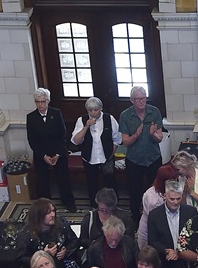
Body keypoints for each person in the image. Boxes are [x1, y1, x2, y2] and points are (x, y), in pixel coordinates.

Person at [118, 86, 165, 221]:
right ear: (132, 100)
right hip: (134, 160)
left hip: (153, 158)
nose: (141, 102)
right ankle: (136, 219)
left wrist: (152, 134)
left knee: (156, 190)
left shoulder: (154, 112)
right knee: (135, 191)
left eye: (143, 98)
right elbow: (125, 142)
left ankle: (157, 218)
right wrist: (136, 135)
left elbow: (160, 138)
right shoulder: (125, 115)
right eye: (138, 99)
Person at [26, 89, 76, 211]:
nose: (40, 105)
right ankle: (44, 206)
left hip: (58, 153)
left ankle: (68, 202)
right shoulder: (31, 117)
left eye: (43, 101)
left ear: (48, 101)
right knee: (42, 182)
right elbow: (32, 140)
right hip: (41, 155)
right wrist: (44, 156)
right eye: (37, 102)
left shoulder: (56, 113)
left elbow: (62, 135)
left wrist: (58, 154)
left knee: (63, 179)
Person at [69, 97, 120, 202]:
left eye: (95, 110)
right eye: (90, 110)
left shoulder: (109, 119)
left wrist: (111, 153)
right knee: (92, 183)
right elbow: (76, 141)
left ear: (101, 108)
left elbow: (117, 138)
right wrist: (86, 127)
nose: (93, 113)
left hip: (107, 157)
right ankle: (94, 205)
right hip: (89, 158)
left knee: (110, 183)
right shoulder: (81, 120)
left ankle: (113, 204)